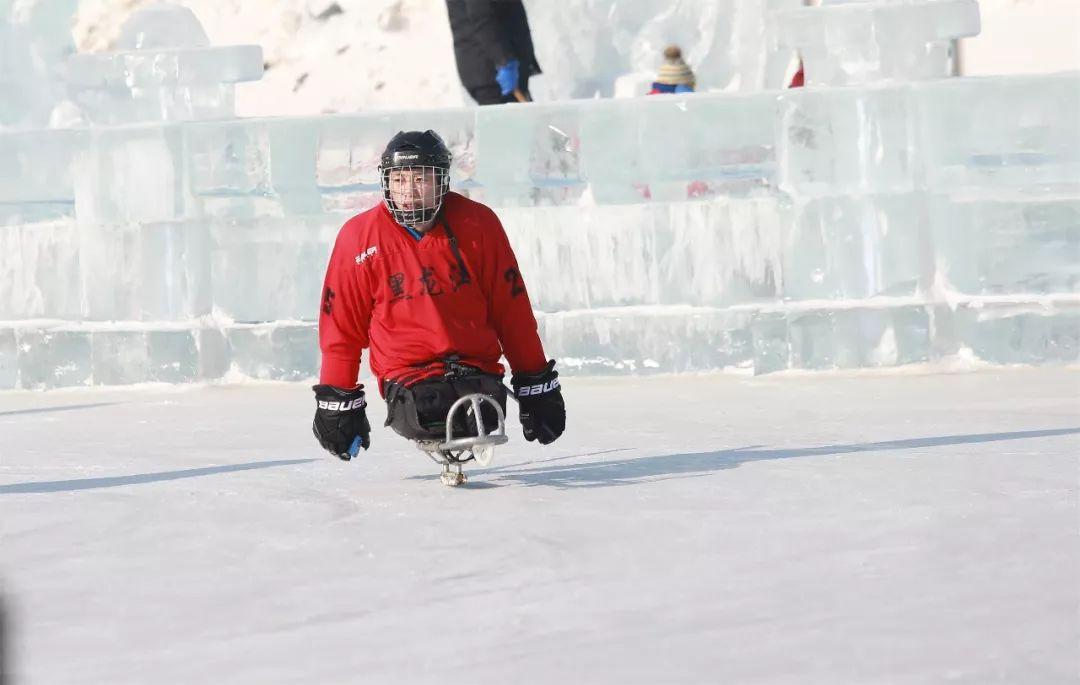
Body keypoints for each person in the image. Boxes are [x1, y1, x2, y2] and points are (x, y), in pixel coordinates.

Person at [312, 130, 565, 460]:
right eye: (399, 179)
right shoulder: (359, 238)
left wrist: (536, 383)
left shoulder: (479, 224)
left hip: (477, 375)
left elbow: (511, 311)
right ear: (386, 182)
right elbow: (341, 328)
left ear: (442, 181)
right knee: (429, 410)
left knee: (482, 410)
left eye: (421, 179)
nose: (409, 192)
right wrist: (338, 402)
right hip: (410, 381)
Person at [445, 0, 541, 105]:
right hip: (492, 73)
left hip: (499, 69)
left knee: (526, 117)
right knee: (514, 119)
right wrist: (504, 61)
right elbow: (482, 17)